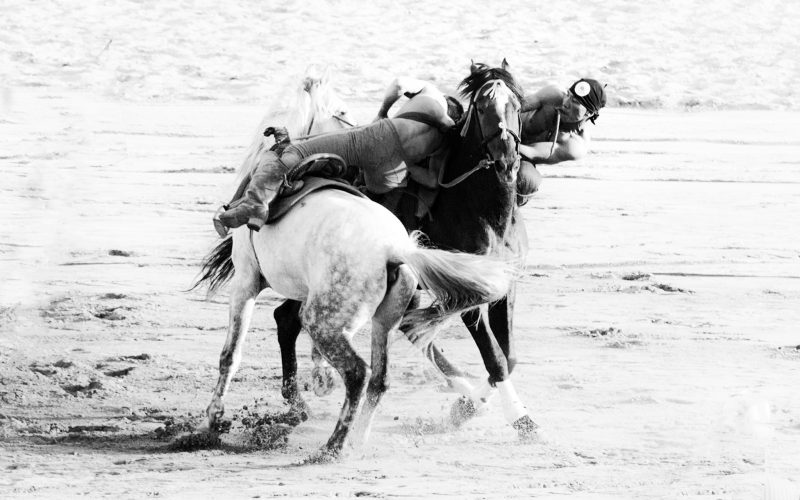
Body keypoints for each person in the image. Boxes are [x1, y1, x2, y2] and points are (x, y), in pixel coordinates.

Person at [216, 77, 460, 232]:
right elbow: (431, 181)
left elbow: (398, 85)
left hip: (379, 138)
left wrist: (383, 112)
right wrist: (406, 164)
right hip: (391, 175)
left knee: (296, 150)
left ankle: (255, 206)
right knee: (364, 191)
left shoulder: (431, 94)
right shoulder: (445, 142)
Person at [515, 78, 607, 204]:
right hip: (505, 129)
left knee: (527, 180)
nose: (565, 103)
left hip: (520, 154)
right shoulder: (554, 95)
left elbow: (531, 152)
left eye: (574, 101)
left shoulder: (576, 145)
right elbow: (515, 107)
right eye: (568, 95)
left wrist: (503, 143)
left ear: (589, 113)